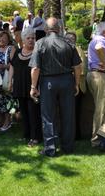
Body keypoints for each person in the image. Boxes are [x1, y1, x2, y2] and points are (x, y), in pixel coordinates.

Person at [29, 18, 82, 157]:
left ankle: (50, 148)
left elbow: (35, 68)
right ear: (59, 28)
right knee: (68, 115)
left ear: (46, 29)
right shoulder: (69, 42)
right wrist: (76, 83)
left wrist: (33, 86)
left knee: (48, 115)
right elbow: (77, 66)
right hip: (66, 80)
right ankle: (68, 147)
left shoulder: (40, 43)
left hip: (48, 83)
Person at [8, 28, 42, 147]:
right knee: (24, 112)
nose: (31, 40)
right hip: (19, 86)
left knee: (34, 113)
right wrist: (10, 81)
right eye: (28, 38)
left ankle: (36, 137)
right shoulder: (17, 52)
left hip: (33, 88)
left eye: (33, 38)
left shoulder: (37, 53)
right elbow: (12, 66)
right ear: (23, 40)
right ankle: (26, 135)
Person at [86, 21, 105, 152]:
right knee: (103, 109)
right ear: (104, 32)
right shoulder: (100, 39)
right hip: (101, 76)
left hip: (98, 75)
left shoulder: (99, 38)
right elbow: (99, 47)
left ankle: (103, 135)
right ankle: (97, 140)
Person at [65, 32, 87, 140]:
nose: (69, 41)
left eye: (72, 39)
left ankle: (76, 135)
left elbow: (81, 69)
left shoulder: (78, 50)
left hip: (77, 87)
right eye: (67, 39)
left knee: (75, 112)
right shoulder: (63, 50)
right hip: (65, 86)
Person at [0, 31, 15, 131]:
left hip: (6, 78)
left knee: (7, 100)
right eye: (0, 38)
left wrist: (3, 66)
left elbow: (14, 64)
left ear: (8, 38)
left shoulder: (11, 48)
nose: (1, 39)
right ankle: (0, 119)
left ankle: (7, 121)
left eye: (4, 37)